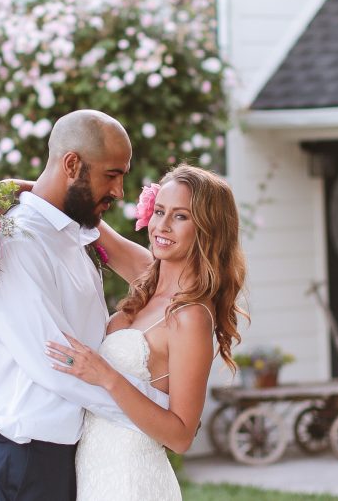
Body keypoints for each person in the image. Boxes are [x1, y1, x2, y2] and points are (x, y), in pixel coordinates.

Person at [0, 109, 168, 501]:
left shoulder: (71, 234)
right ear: (72, 164)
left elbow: (158, 279)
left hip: (63, 454)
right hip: (26, 460)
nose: (119, 191)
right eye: (112, 174)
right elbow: (58, 362)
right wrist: (157, 412)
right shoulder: (19, 243)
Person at [45, 164, 247, 500]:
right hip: (94, 470)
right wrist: (18, 189)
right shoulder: (147, 275)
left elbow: (180, 436)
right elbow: (90, 223)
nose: (162, 226)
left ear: (207, 229)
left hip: (133, 479)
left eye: (180, 216)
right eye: (159, 211)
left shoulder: (191, 316)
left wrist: (106, 376)